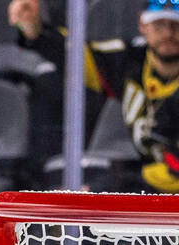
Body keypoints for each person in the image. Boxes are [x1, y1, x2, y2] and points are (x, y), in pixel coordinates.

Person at [10, 0, 179, 192]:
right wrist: (36, 31)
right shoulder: (131, 62)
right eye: (159, 25)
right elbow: (79, 58)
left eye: (176, 25)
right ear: (143, 25)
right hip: (154, 174)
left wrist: (122, 185)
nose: (168, 34)